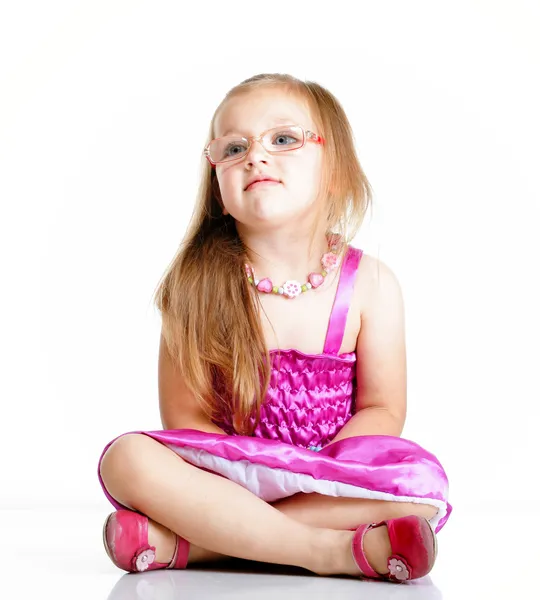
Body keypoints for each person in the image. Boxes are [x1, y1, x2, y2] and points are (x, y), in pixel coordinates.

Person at [98, 73, 451, 583]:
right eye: (235, 147)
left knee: (421, 491)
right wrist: (244, 485)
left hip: (326, 476)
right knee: (127, 459)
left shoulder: (371, 283)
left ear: (335, 171)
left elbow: (383, 407)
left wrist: (317, 472)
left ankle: (192, 543)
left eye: (283, 140)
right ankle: (327, 552)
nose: (255, 156)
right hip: (228, 475)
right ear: (218, 188)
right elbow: (184, 417)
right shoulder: (195, 285)